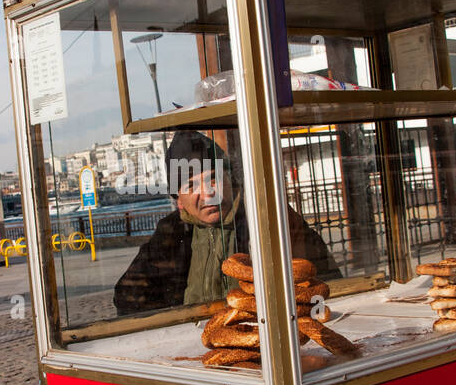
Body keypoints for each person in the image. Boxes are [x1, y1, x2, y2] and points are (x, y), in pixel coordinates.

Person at [114, 130, 341, 314]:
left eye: (213, 179)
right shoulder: (171, 232)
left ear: (230, 180)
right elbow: (127, 296)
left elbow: (324, 280)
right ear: (179, 200)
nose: (207, 193)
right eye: (191, 186)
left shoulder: (267, 215)